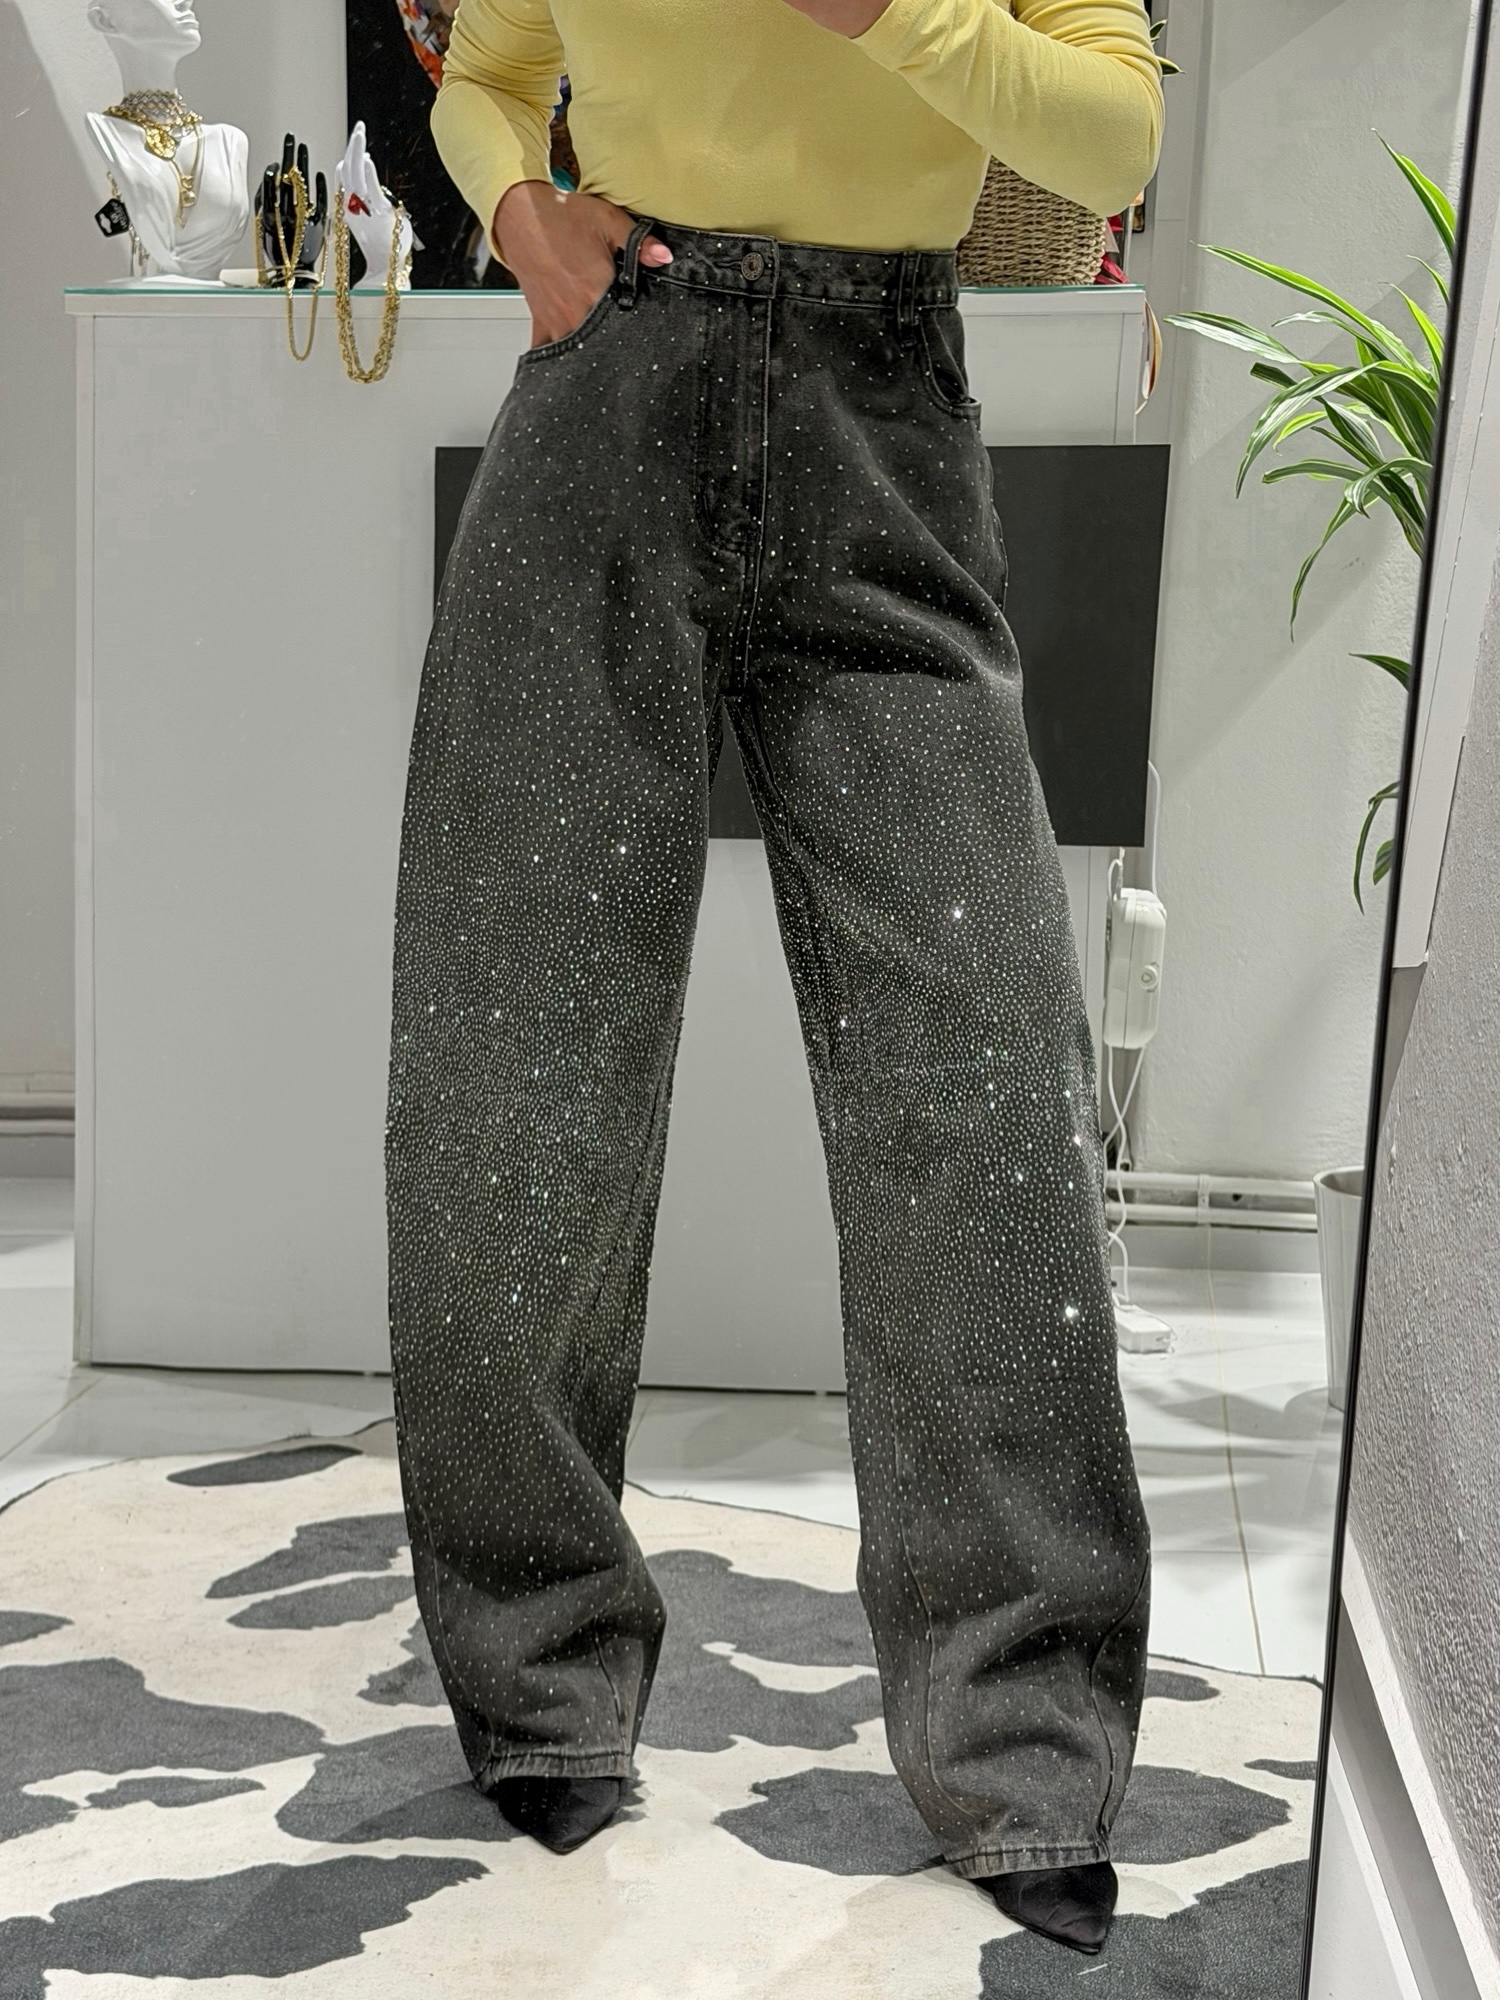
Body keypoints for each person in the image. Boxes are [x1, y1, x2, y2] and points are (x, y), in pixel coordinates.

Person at [384, 0, 1162, 1959]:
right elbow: (493, 74)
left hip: (884, 410)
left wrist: (890, 14)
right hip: (609, 390)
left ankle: (1023, 1745)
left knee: (982, 1089)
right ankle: (537, 1675)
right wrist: (522, 214)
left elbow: (1112, 140)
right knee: (516, 1061)